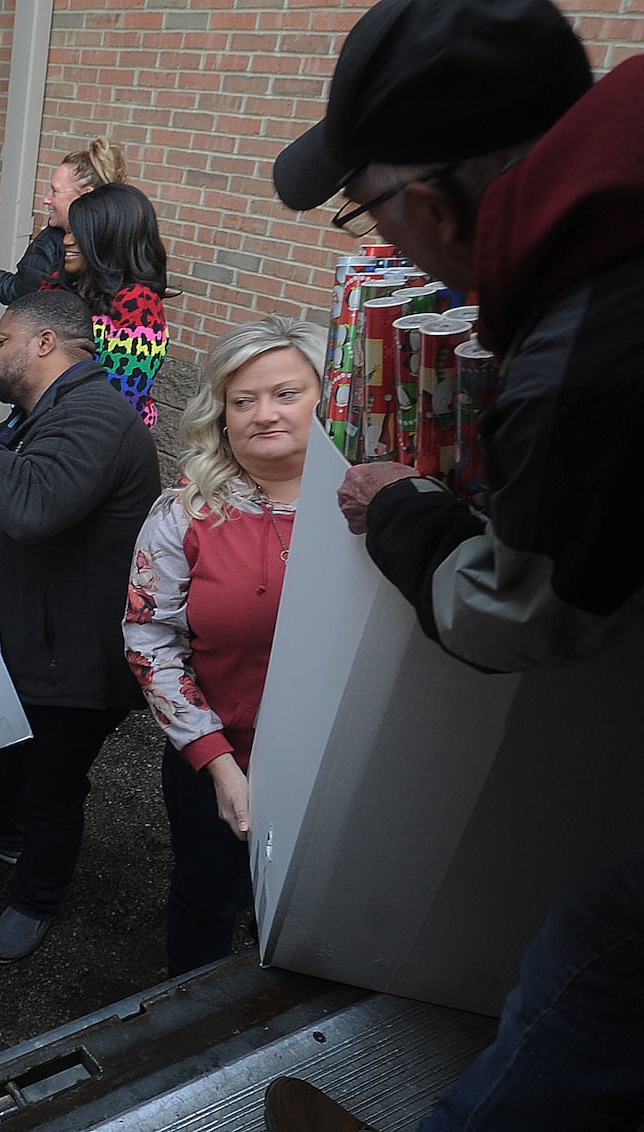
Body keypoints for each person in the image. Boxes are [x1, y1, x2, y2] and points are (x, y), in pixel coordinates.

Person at [262, 0, 644, 1129]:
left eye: (366, 213)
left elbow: (517, 615)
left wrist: (404, 512)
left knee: (601, 952)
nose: (381, 245)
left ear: (426, 203)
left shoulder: (591, 348)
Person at [0, 290, 160, 963]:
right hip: (44, 640)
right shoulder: (51, 410)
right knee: (16, 741)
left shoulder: (95, 417)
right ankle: (2, 827)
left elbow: (28, 504)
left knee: (56, 781)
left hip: (83, 658)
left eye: (3, 341)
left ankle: (36, 900)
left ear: (45, 344)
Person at [121, 316, 323, 975]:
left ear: (328, 397)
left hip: (333, 771)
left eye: (287, 393)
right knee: (207, 903)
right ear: (221, 413)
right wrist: (218, 764)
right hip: (218, 763)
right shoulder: (185, 515)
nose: (264, 413)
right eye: (244, 400)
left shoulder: (377, 510)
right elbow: (150, 640)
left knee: (310, 914)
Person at [0, 137, 124, 305]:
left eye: (55, 191)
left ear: (85, 196)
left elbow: (19, 294)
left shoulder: (54, 241)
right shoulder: (122, 237)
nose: (46, 199)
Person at [58, 183, 171, 430]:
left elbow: (122, 399)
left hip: (92, 440)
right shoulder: (64, 283)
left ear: (110, 238)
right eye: (68, 230)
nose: (67, 241)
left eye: (80, 234)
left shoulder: (139, 304)